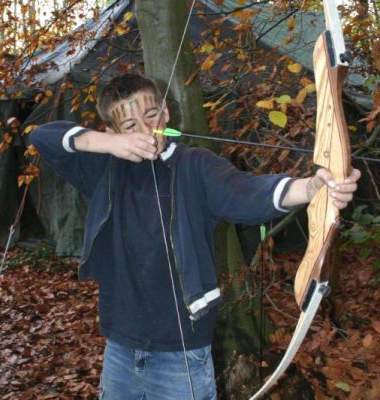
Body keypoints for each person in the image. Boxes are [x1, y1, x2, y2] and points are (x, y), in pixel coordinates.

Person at [31, 73, 361, 400]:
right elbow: (42, 137)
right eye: (130, 126)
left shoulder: (195, 166)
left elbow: (247, 193)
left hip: (182, 354)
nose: (146, 131)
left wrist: (312, 187)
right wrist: (108, 144)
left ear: (165, 113)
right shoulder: (103, 168)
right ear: (113, 132)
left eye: (151, 116)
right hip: (121, 347)